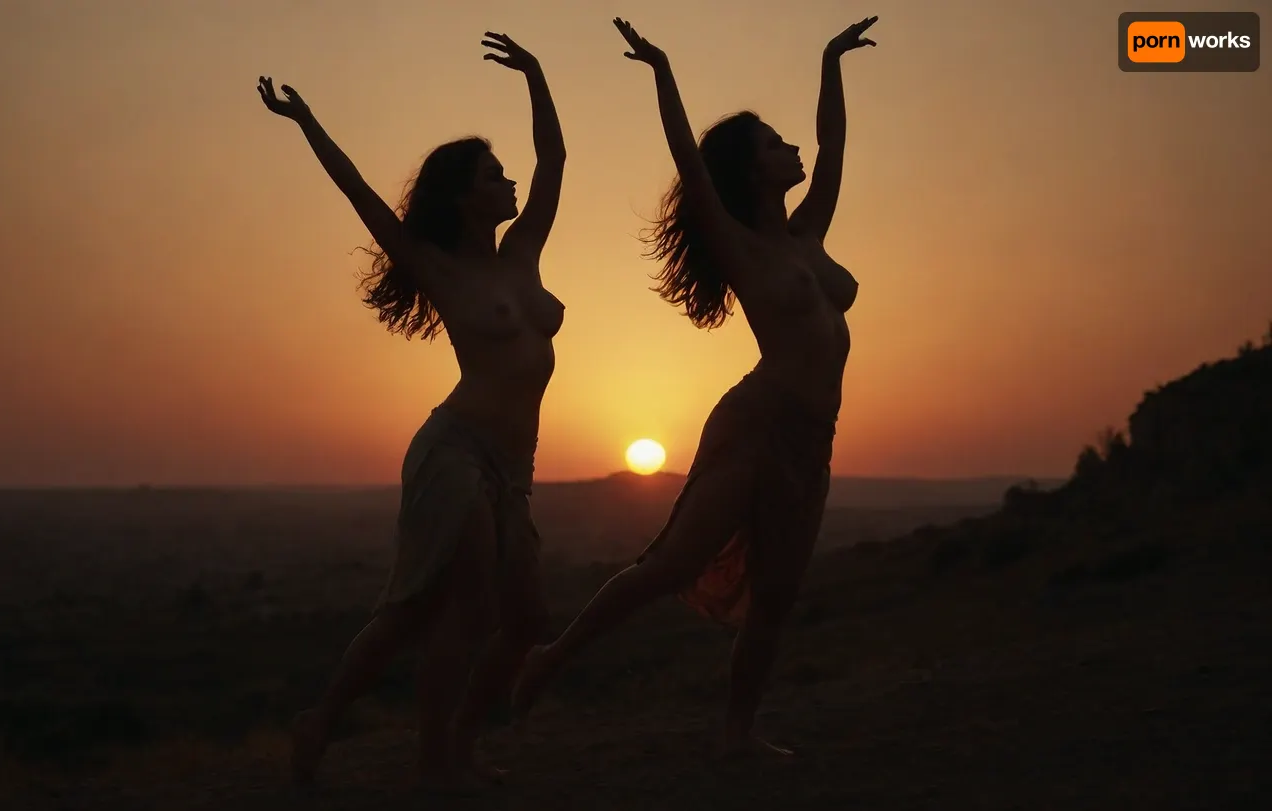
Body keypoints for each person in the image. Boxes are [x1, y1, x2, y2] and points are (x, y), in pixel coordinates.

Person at [510, 16, 877, 757]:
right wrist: (661, 70)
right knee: (673, 563)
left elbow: (834, 144)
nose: (793, 148)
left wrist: (832, 61)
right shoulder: (742, 248)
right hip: (756, 423)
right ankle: (552, 656)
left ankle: (737, 732)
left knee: (775, 597)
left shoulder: (807, 237)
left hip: (813, 437)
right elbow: (690, 161)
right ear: (750, 170)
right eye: (774, 143)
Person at [257, 30, 566, 791]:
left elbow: (553, 161)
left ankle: (324, 718)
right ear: (465, 193)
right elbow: (357, 190)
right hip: (454, 452)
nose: (510, 181)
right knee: (460, 610)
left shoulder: (523, 252)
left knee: (520, 618)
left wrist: (535, 76)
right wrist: (305, 123)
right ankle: (439, 762)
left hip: (512, 466)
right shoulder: (434, 266)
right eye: (495, 173)